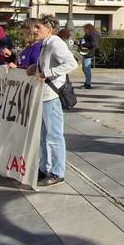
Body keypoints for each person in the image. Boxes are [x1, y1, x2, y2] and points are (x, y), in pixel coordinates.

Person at [28, 15, 77, 187]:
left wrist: (46, 73)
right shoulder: (45, 43)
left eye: (38, 28)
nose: (34, 30)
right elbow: (49, 65)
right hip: (44, 95)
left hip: (52, 96)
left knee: (54, 135)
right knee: (43, 135)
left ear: (49, 29)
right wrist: (36, 68)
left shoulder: (55, 43)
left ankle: (57, 172)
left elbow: (71, 64)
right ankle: (44, 168)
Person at [78, 24, 100, 89]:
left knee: (86, 69)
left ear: (88, 28)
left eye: (85, 29)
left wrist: (83, 44)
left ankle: (88, 84)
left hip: (89, 52)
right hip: (86, 52)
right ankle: (87, 83)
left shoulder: (93, 34)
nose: (84, 30)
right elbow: (85, 42)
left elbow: (94, 44)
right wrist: (79, 43)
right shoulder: (88, 34)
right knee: (84, 68)